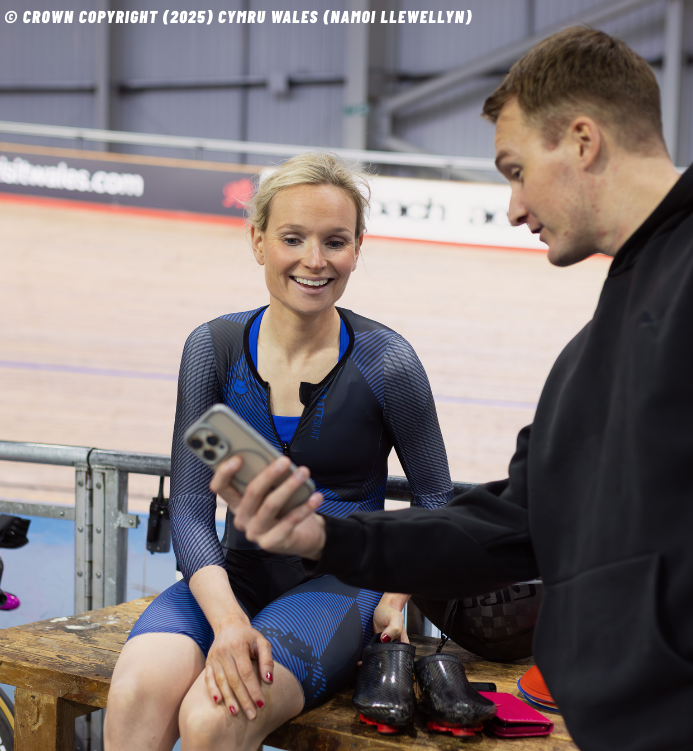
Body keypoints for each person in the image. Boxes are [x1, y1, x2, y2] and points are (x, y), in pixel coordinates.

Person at [212, 27, 693, 751]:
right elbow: (510, 525)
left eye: (514, 169)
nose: (513, 207)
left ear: (583, 140)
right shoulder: (592, 350)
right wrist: (328, 538)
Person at [103, 152, 455, 751]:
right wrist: (228, 622)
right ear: (259, 241)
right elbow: (190, 511)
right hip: (232, 579)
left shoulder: (387, 362)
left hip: (341, 587)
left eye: (335, 242)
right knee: (137, 690)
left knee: (213, 717)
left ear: (358, 248)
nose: (314, 261)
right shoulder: (212, 349)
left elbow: (435, 499)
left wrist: (398, 595)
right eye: (293, 238)